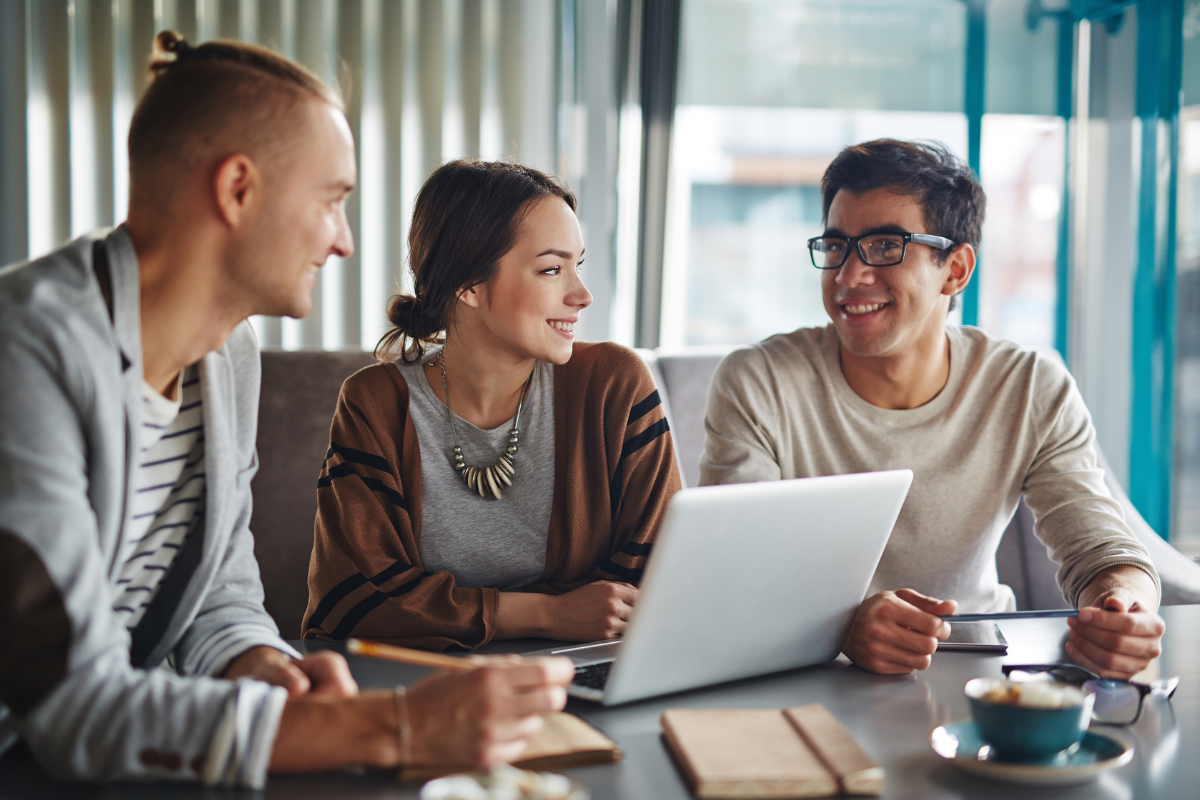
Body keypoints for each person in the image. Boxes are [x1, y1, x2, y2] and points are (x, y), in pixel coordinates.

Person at [0, 32, 572, 788]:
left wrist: (262, 665)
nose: (343, 241)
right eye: (332, 201)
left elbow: (219, 596)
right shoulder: (25, 352)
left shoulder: (227, 352)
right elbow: (68, 702)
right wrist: (389, 725)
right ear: (238, 189)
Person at [700, 139, 1164, 680]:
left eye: (884, 246)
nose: (849, 277)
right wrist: (840, 626)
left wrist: (1123, 608)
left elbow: (1101, 547)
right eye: (836, 246)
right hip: (809, 671)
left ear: (956, 269)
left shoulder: (1028, 386)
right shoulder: (758, 382)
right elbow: (731, 575)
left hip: (984, 673)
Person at [303, 160, 681, 649]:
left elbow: (658, 579)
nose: (582, 295)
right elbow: (351, 601)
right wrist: (550, 612)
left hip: (582, 671)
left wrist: (437, 609)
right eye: (551, 269)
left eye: (577, 265)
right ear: (469, 285)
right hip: (430, 686)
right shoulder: (375, 405)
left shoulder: (613, 386)